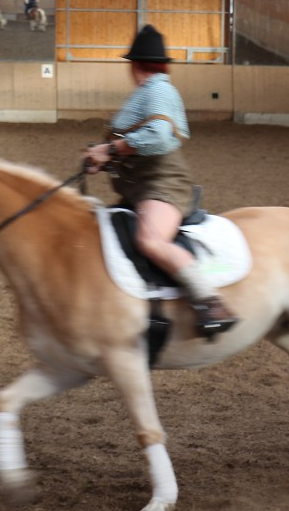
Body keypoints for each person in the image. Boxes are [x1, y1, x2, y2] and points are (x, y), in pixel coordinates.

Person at [83, 24, 238, 339]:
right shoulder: (147, 91)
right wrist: (105, 157)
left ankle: (210, 303)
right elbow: (138, 142)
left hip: (163, 183)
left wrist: (111, 149)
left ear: (135, 64)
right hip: (139, 186)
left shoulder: (158, 90)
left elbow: (159, 137)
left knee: (151, 241)